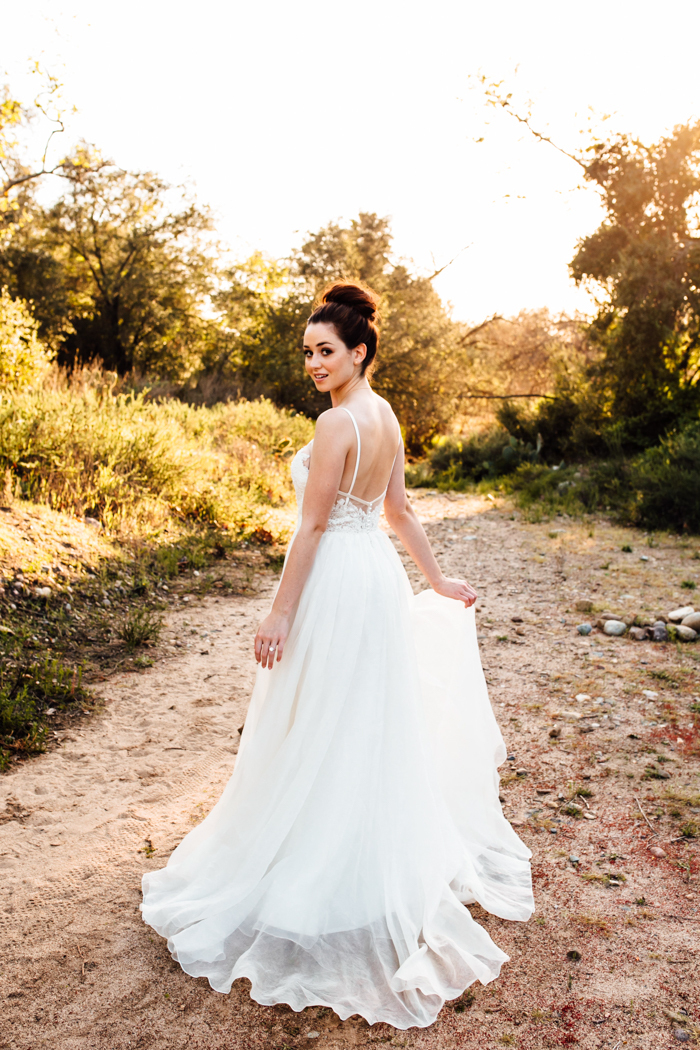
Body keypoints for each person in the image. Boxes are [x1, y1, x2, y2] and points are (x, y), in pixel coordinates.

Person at [141, 281, 534, 1030]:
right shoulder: (384, 415)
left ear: (360, 351)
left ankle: (316, 873)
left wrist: (279, 612)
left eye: (326, 352)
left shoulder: (337, 427)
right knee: (361, 719)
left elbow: (312, 530)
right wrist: (435, 579)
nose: (314, 364)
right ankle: (357, 868)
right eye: (308, 354)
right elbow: (399, 511)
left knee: (318, 716)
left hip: (335, 585)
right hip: (376, 579)